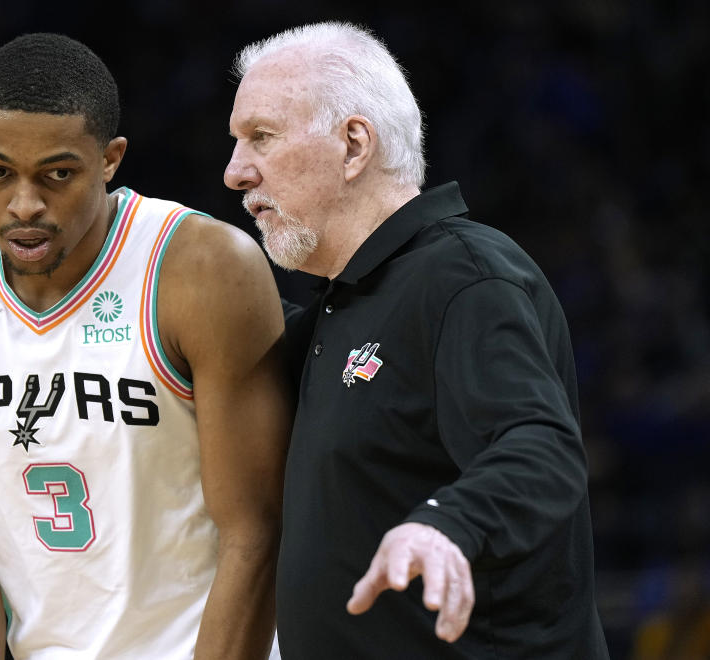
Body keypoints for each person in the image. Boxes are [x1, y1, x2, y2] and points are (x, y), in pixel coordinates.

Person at [0, 33, 291, 659]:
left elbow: (255, 531)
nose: (25, 205)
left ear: (109, 158)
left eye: (58, 175)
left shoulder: (202, 268)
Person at [223, 21, 610, 659]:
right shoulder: (335, 313)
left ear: (353, 146)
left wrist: (445, 527)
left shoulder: (463, 275)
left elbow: (541, 446)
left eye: (260, 137)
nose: (236, 172)